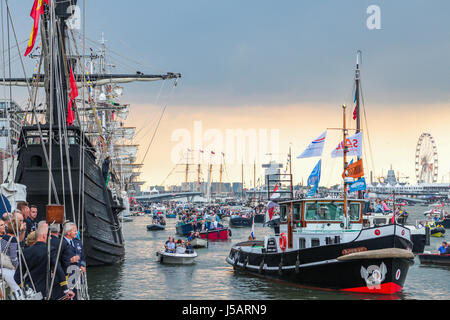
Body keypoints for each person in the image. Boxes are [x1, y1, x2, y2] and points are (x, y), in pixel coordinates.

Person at [14, 222, 74, 300]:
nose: (51, 238)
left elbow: (17, 277)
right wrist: (66, 290)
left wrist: (25, 289)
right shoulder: (50, 250)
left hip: (31, 294)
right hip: (46, 293)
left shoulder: (25, 252)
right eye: (49, 236)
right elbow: (57, 269)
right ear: (44, 236)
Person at [0, 218, 22, 299]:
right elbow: (13, 257)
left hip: (2, 268)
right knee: (18, 291)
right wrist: (17, 267)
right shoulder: (13, 239)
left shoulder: (3, 237)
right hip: (9, 269)